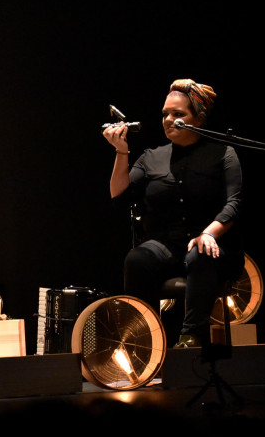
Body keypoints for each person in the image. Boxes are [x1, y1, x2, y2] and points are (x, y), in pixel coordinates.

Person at [103, 79, 243, 348]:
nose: (168, 119)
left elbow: (233, 203)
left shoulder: (224, 153)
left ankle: (191, 337)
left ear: (198, 119)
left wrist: (208, 233)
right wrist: (122, 152)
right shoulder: (151, 157)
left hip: (211, 248)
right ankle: (144, 342)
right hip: (167, 245)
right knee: (138, 259)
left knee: (200, 251)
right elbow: (119, 196)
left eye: (178, 114)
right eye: (165, 114)